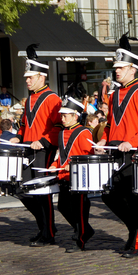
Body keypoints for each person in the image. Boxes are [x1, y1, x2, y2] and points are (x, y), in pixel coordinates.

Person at [96, 48, 138, 258]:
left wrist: (132, 142)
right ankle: (134, 231)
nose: (117, 71)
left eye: (121, 67)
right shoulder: (114, 94)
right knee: (108, 195)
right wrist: (103, 138)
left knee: (134, 199)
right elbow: (111, 124)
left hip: (133, 152)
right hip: (114, 151)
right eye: (116, 68)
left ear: (133, 69)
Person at [9, 50, 62, 247]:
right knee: (23, 191)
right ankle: (45, 226)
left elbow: (58, 126)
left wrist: (44, 141)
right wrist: (17, 136)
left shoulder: (53, 98)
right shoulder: (30, 99)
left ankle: (48, 232)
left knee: (42, 193)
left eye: (31, 77)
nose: (27, 81)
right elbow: (25, 124)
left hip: (42, 151)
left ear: (42, 76)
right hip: (27, 150)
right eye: (27, 78)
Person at [50, 98, 95, 252]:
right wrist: (54, 166)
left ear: (75, 116)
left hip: (79, 177)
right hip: (64, 176)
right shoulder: (62, 133)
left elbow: (88, 156)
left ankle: (80, 240)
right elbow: (62, 156)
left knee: (80, 210)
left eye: (66, 115)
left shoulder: (84, 132)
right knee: (62, 206)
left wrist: (73, 165)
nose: (62, 118)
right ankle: (84, 230)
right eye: (62, 115)